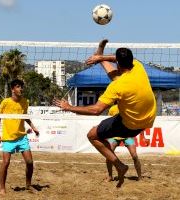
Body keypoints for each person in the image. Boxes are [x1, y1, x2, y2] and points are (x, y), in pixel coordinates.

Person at [53, 39, 156, 187]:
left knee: (92, 135)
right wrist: (100, 58)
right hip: (148, 120)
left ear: (118, 64)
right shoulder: (138, 67)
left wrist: (69, 107)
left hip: (130, 125)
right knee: (116, 78)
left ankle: (119, 166)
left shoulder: (117, 86)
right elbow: (117, 61)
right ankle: (99, 55)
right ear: (131, 61)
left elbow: (96, 110)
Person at [0, 79, 39, 195]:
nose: (21, 89)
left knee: (30, 162)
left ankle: (28, 185)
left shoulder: (25, 101)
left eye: (21, 87)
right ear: (12, 89)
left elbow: (25, 117)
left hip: (21, 136)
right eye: (18, 87)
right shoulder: (5, 102)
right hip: (8, 137)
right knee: (6, 162)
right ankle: (2, 188)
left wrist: (33, 127)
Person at [105, 105, 142, 182]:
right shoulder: (113, 109)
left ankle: (140, 177)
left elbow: (137, 123)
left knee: (134, 156)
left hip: (128, 135)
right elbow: (109, 123)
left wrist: (143, 136)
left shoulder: (130, 107)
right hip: (115, 136)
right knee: (108, 155)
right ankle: (110, 176)